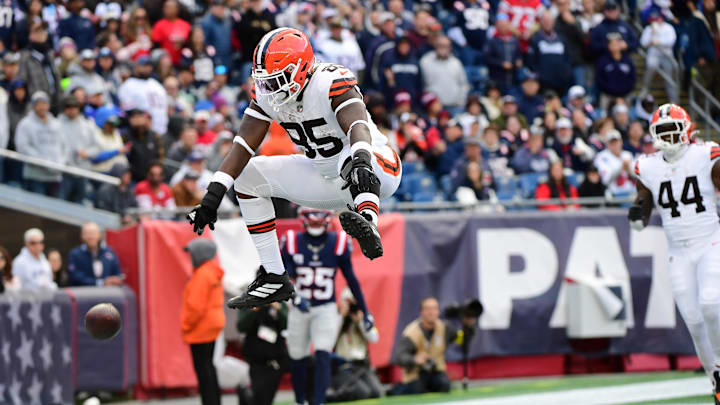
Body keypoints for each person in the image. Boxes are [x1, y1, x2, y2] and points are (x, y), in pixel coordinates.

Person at [188, 28, 402, 308]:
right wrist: (213, 195)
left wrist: (361, 157)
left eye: (277, 79)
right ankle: (274, 275)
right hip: (325, 176)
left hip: (377, 167)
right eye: (266, 82)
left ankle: (368, 224)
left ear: (300, 69)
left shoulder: (330, 81)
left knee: (351, 155)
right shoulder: (268, 95)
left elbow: (357, 127)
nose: (271, 89)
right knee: (248, 179)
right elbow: (242, 145)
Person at [629, 103, 720, 404]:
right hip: (678, 251)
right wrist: (638, 215)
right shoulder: (648, 166)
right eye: (662, 130)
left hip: (710, 241)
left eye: (672, 129)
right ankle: (715, 381)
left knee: (709, 303)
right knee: (693, 321)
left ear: (687, 130)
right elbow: (644, 200)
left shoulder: (705, 155)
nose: (668, 136)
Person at [281, 208, 375, 405]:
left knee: (323, 353)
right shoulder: (291, 241)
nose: (315, 220)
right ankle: (300, 401)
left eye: (319, 215)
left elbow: (352, 280)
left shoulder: (338, 242)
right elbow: (284, 276)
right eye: (311, 215)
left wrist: (365, 311)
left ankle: (319, 402)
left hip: (325, 308)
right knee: (297, 356)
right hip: (299, 307)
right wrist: (295, 297)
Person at [389, 297, 474, 395]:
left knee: (444, 385)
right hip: (416, 374)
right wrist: (415, 359)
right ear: (421, 312)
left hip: (436, 371)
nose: (431, 312)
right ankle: (396, 389)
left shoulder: (445, 328)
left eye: (434, 309)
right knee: (416, 389)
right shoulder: (411, 332)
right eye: (428, 309)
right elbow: (399, 357)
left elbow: (462, 340)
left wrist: (468, 326)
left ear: (438, 311)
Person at [181, 238, 225, 405]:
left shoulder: (202, 275)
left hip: (201, 328)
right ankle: (214, 400)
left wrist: (185, 326)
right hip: (210, 326)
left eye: (191, 253)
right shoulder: (210, 271)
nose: (190, 256)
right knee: (208, 367)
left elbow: (195, 306)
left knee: (203, 370)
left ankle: (210, 401)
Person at [327, 288, 382, 402]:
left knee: (376, 392)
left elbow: (374, 338)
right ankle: (332, 397)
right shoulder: (335, 316)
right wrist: (341, 316)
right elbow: (329, 340)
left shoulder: (364, 316)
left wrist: (361, 321)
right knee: (362, 392)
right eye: (348, 302)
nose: (351, 306)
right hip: (342, 367)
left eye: (353, 302)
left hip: (362, 366)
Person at [235, 301, 289, 405]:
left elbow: (287, 324)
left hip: (275, 360)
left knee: (267, 398)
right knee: (259, 397)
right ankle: (244, 395)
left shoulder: (279, 299)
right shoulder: (249, 299)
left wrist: (277, 308)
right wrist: (256, 308)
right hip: (256, 360)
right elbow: (241, 326)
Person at [14, 91, 65, 197]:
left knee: (54, 210)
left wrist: (60, 164)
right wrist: (43, 162)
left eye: (44, 103)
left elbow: (64, 147)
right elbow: (22, 147)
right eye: (39, 104)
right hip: (35, 175)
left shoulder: (57, 124)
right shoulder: (25, 124)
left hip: (55, 176)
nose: (42, 107)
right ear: (33, 106)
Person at [58, 95, 96, 203]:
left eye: (74, 107)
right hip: (64, 171)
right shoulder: (57, 124)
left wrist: (87, 153)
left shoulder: (87, 125)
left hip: (82, 171)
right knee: (61, 203)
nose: (72, 111)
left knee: (80, 203)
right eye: (69, 107)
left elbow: (97, 148)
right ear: (64, 109)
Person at [419, 35, 469, 114]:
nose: (443, 48)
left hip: (454, 106)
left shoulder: (456, 63)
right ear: (435, 46)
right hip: (433, 108)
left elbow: (463, 84)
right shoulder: (425, 61)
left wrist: (461, 101)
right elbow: (420, 84)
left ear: (450, 48)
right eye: (440, 45)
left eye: (446, 46)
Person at [19, 20, 61, 110]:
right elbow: (21, 81)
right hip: (36, 106)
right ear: (30, 35)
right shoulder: (24, 57)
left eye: (43, 31)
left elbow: (56, 78)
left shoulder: (49, 54)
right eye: (37, 31)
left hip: (55, 103)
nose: (42, 34)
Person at [67, 222, 124, 287]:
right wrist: (101, 283)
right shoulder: (75, 254)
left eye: (93, 233)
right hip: (83, 294)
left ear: (99, 235)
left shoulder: (109, 252)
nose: (90, 237)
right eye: (87, 233)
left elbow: (117, 272)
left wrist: (115, 280)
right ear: (82, 236)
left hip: (108, 294)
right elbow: (75, 277)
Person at [639, 13, 678, 104]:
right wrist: (651, 35)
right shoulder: (649, 28)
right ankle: (645, 88)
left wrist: (658, 42)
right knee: (651, 67)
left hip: (667, 55)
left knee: (669, 77)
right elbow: (643, 43)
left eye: (658, 18)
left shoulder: (669, 27)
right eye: (655, 19)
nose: (657, 20)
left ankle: (673, 99)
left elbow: (671, 41)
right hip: (653, 54)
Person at [594, 129, 635, 197]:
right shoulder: (601, 157)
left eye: (617, 141)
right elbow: (606, 180)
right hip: (614, 194)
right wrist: (621, 168)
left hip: (631, 192)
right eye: (612, 142)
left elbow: (638, 176)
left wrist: (629, 170)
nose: (615, 144)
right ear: (607, 144)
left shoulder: (628, 155)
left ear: (621, 142)